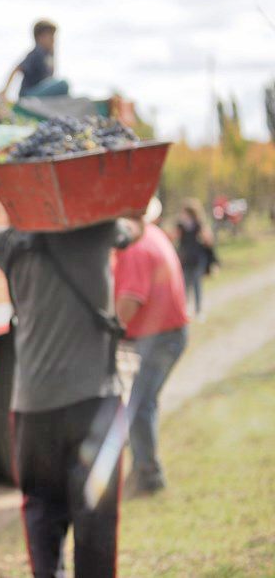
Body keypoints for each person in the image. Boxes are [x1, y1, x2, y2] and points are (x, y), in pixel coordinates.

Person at [0, 182, 143, 578]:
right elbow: (141, 221)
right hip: (95, 404)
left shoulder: (12, 244)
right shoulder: (100, 232)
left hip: (33, 410)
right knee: (97, 525)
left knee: (42, 516)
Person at [114, 197, 190, 496]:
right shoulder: (152, 234)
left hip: (159, 335)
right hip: (166, 332)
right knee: (143, 402)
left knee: (140, 405)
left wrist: (107, 329)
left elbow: (128, 305)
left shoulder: (135, 249)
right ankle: (144, 470)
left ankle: (148, 477)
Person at [2, 19, 70, 99]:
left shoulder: (47, 55)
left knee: (62, 91)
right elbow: (17, 69)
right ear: (39, 37)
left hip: (38, 93)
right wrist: (4, 92)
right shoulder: (36, 53)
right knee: (63, 84)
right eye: (50, 35)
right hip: (28, 95)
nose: (53, 39)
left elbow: (50, 78)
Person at [174, 198, 214, 319]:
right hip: (185, 258)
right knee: (185, 284)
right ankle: (184, 309)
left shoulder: (199, 225)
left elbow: (208, 240)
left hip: (197, 258)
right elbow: (175, 237)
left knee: (196, 284)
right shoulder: (181, 225)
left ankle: (198, 310)